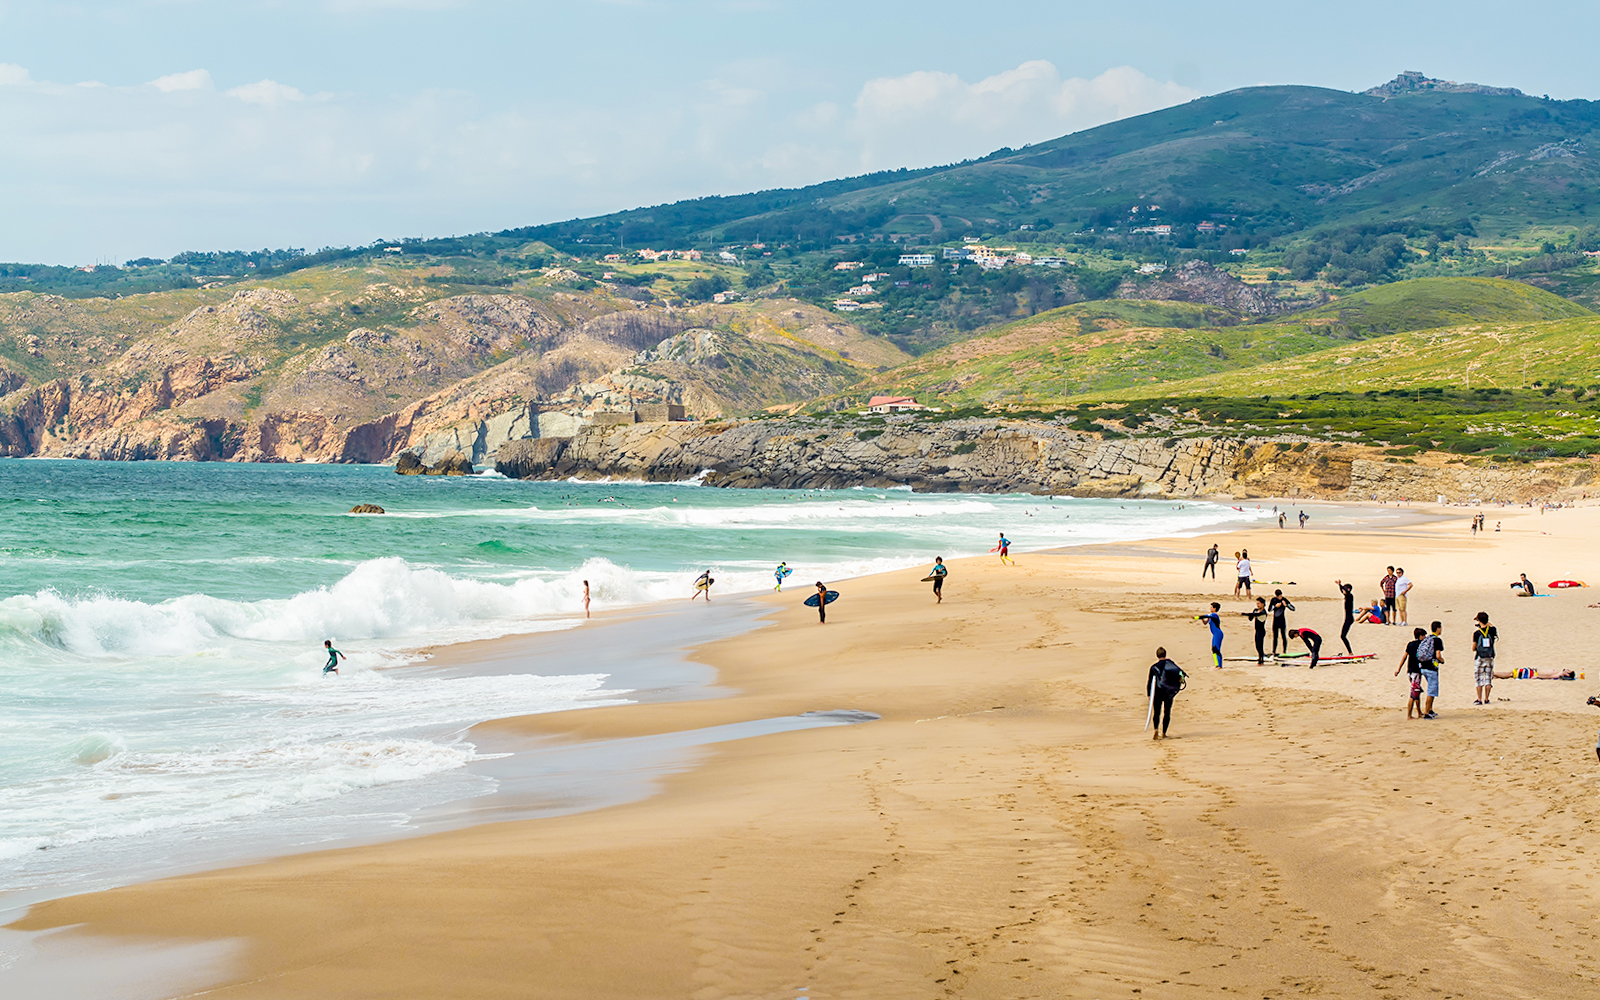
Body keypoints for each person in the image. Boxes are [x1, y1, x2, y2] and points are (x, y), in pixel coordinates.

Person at [1146, 647, 1186, 740]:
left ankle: (1156, 729)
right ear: (1165, 654)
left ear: (1157, 655)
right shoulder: (1172, 665)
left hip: (1157, 692)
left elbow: (1149, 682)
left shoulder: (1154, 667)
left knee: (1157, 712)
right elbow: (1181, 676)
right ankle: (1164, 733)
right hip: (1169, 692)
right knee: (1167, 712)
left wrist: (1149, 694)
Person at [1394, 626, 1427, 714]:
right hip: (1416, 672)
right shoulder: (1422, 646)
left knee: (1417, 692)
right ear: (1420, 636)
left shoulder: (1410, 644)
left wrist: (1398, 669)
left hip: (1410, 671)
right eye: (1424, 636)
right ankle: (1409, 715)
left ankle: (1419, 712)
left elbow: (1404, 657)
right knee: (1413, 694)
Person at [1418, 620, 1444, 718]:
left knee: (1431, 688)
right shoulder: (1437, 640)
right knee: (1431, 690)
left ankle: (1430, 709)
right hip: (1431, 668)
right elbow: (1438, 655)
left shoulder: (1427, 638)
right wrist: (1442, 660)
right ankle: (1427, 712)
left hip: (1423, 666)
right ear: (1438, 629)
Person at [1472, 612, 1498, 705]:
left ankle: (1479, 699)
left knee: (1479, 678)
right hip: (1490, 657)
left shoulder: (1476, 633)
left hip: (1480, 657)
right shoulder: (1492, 630)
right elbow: (1492, 626)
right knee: (1488, 678)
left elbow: (1473, 648)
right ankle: (1487, 699)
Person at [1195, 602, 1224, 670]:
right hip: (1215, 634)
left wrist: (1196, 617)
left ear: (1215, 608)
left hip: (1218, 634)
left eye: (1211, 607)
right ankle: (1216, 664)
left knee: (1217, 649)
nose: (1210, 608)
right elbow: (1205, 623)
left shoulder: (1214, 615)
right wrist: (1202, 619)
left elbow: (1206, 616)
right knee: (1213, 649)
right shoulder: (1210, 616)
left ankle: (1220, 665)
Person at [1241, 598, 1269, 664]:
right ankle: (1260, 658)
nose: (1257, 605)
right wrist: (1250, 615)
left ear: (1263, 604)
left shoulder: (1263, 612)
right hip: (1257, 630)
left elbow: (1255, 615)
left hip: (1261, 631)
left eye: (1259, 603)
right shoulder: (1256, 610)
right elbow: (1251, 618)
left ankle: (1261, 660)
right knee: (1257, 646)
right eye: (1257, 603)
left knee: (1260, 646)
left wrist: (1244, 614)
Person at [1268, 589, 1294, 655]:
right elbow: (1269, 610)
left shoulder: (1284, 599)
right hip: (1275, 621)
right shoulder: (1273, 600)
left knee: (1283, 636)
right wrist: (1275, 606)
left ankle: (1284, 651)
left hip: (1282, 620)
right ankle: (1274, 651)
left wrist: (1286, 605)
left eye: (1281, 596)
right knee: (1275, 637)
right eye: (1279, 596)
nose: (1280, 597)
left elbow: (1293, 608)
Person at [1334, 580, 1356, 654]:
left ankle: (1350, 652)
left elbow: (1345, 590)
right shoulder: (1347, 596)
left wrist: (1341, 585)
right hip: (1348, 619)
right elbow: (1342, 590)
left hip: (1349, 619)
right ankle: (1350, 652)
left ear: (1348, 589)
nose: (1343, 591)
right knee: (1342, 636)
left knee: (1343, 636)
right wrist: (1339, 585)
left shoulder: (1350, 596)